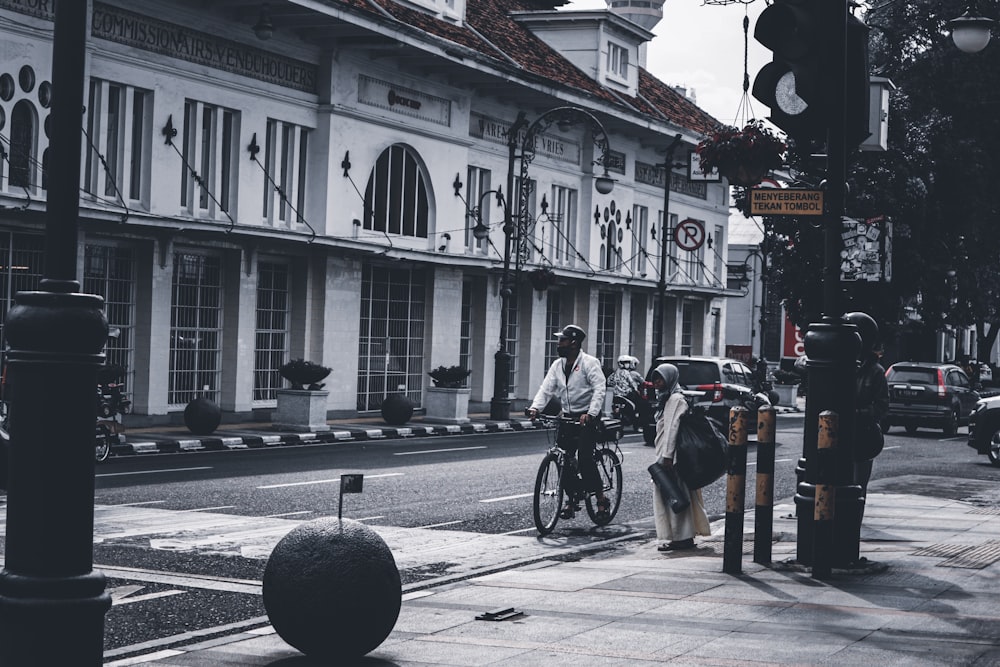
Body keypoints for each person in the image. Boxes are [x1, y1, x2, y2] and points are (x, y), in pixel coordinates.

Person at [528, 324, 610, 518]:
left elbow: (600, 389)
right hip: (567, 417)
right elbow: (546, 388)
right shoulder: (558, 365)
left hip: (587, 417)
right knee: (562, 458)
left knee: (585, 458)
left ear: (573, 343)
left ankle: (601, 499)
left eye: (562, 340)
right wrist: (535, 408)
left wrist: (590, 413)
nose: (559, 343)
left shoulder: (590, 363)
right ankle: (573, 498)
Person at [649, 363, 710, 551]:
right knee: (677, 495)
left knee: (674, 495)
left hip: (672, 456)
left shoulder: (675, 399)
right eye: (655, 379)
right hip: (667, 453)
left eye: (660, 379)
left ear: (670, 379)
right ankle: (681, 536)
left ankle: (681, 538)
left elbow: (672, 428)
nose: (657, 383)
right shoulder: (667, 398)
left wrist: (667, 456)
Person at [845, 312, 889, 519]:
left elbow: (881, 407)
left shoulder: (876, 371)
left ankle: (853, 524)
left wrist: (855, 414)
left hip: (862, 436)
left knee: (857, 486)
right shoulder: (841, 366)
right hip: (838, 435)